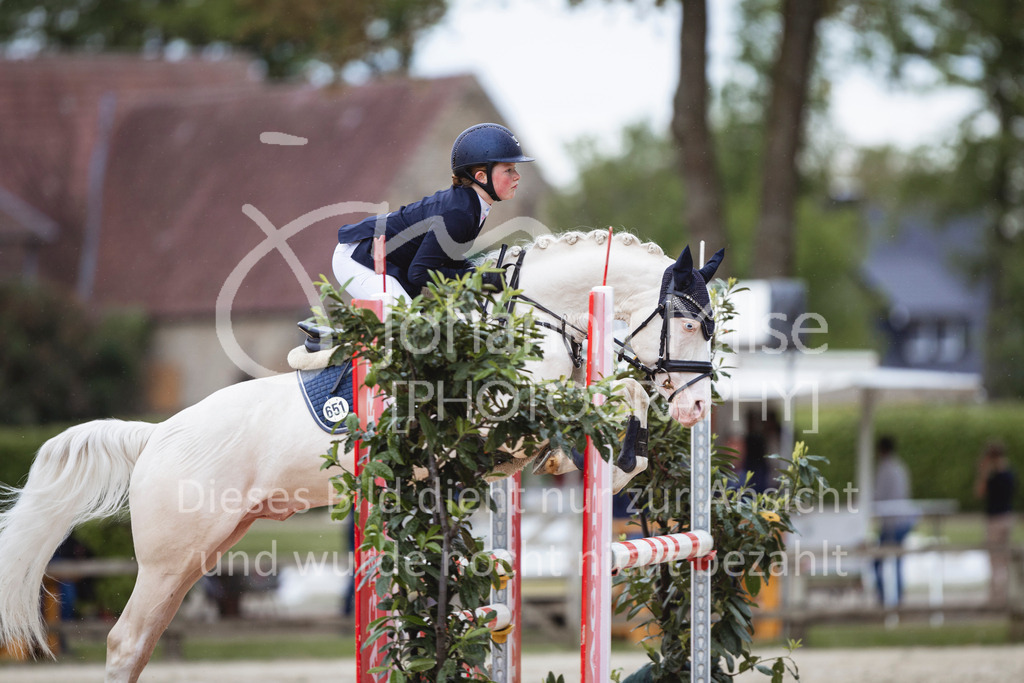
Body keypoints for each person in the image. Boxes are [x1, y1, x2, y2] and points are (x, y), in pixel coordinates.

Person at [332, 123, 534, 302]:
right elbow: (419, 274)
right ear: (481, 177)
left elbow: (446, 255)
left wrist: (474, 271)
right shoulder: (459, 212)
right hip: (360, 256)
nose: (517, 176)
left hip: (384, 258)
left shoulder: (472, 204)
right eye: (509, 170)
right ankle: (331, 339)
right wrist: (478, 279)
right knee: (408, 325)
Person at [873, 435, 916, 606]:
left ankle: (884, 597)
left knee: (878, 560)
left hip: (892, 522)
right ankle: (897, 598)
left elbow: (878, 496)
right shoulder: (900, 467)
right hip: (902, 520)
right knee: (897, 560)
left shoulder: (885, 469)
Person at [974, 439, 1016, 603]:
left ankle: (996, 598)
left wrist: (983, 473)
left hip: (995, 520)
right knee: (1003, 559)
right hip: (1007, 517)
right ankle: (1003, 595)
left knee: (995, 559)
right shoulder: (1010, 474)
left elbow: (979, 492)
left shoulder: (994, 476)